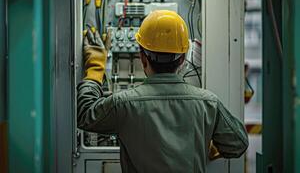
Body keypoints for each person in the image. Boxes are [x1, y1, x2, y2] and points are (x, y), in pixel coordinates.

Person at [77, 10, 249, 173]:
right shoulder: (208, 103)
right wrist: (209, 146)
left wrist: (95, 69)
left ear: (142, 58)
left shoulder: (123, 104)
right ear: (182, 59)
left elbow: (84, 114)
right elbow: (238, 144)